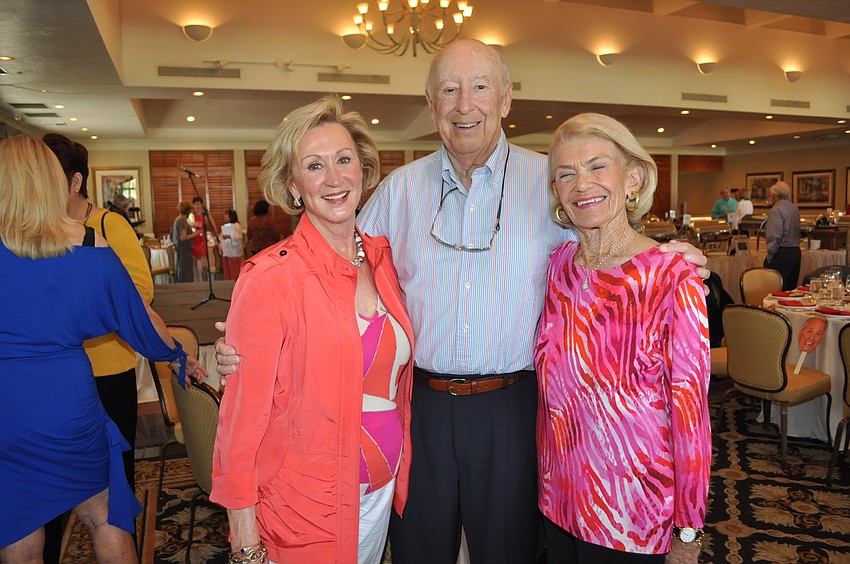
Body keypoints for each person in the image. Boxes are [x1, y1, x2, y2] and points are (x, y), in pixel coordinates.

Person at [214, 39, 709, 564]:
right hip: (419, 408)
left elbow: (603, 245)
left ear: (506, 98)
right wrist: (250, 345)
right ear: (431, 106)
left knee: (506, 551)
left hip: (511, 409)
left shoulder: (549, 181)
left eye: (479, 88)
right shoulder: (399, 191)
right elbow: (332, 253)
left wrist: (669, 256)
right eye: (448, 90)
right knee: (417, 552)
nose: (464, 104)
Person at [209, 96, 415, 564]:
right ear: (293, 185)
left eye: (344, 160)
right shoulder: (270, 278)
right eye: (315, 166)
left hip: (379, 494)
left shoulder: (383, 259)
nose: (335, 178)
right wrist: (245, 544)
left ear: (362, 169)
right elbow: (240, 424)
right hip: (308, 509)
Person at [0, 136, 204, 562]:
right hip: (66, 400)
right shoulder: (89, 246)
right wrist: (178, 356)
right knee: (104, 516)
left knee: (18, 524)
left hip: (7, 407)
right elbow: (139, 317)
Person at [535, 113, 711, 563]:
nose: (581, 184)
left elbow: (690, 414)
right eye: (565, 174)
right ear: (556, 192)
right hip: (558, 504)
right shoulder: (559, 267)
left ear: (632, 178)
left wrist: (688, 529)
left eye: (597, 166)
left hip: (632, 516)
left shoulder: (672, 276)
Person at [764, 181, 801, 291]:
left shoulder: (776, 210)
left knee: (776, 290)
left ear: (774, 195)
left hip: (782, 254)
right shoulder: (794, 208)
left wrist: (770, 256)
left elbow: (774, 235)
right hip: (795, 252)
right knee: (790, 290)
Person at [171, 200, 201, 283]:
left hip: (180, 249)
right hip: (184, 250)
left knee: (182, 269)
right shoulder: (182, 221)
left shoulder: (177, 220)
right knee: (185, 271)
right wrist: (196, 234)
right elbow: (183, 237)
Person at [191, 196, 215, 281]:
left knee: (204, 265)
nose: (196, 206)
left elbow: (213, 225)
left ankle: (205, 280)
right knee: (194, 264)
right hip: (193, 240)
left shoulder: (205, 215)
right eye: (195, 204)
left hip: (202, 241)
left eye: (198, 204)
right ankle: (196, 282)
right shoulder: (191, 215)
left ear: (202, 205)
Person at [219, 209, 244, 280]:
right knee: (228, 272)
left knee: (235, 272)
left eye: (226, 215)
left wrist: (229, 236)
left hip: (234, 253)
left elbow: (239, 236)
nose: (224, 217)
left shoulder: (237, 225)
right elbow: (221, 238)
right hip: (226, 252)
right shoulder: (225, 226)